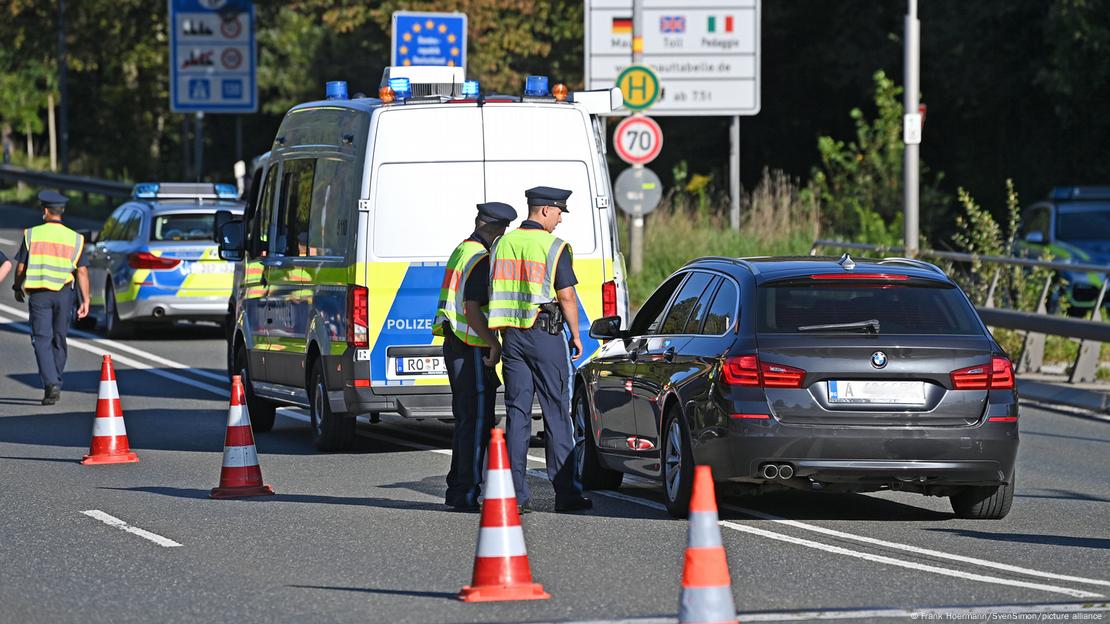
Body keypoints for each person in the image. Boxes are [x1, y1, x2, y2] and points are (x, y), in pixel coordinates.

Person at [487, 186, 591, 514]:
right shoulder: (552, 246)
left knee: (517, 414)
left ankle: (516, 497)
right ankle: (567, 495)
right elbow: (567, 296)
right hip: (544, 335)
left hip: (512, 337)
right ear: (544, 210)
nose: (560, 220)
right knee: (557, 412)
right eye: (559, 212)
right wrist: (576, 334)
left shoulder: (503, 243)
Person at [433, 201, 517, 511]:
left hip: (457, 345)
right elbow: (471, 309)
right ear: (498, 230)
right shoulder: (481, 258)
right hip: (472, 347)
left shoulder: (462, 249)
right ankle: (466, 492)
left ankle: (458, 489)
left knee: (466, 421)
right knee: (477, 423)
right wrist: (492, 343)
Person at [12, 190, 91, 405]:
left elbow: (21, 267)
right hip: (65, 294)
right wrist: (86, 300)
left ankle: (51, 382)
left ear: (46, 211)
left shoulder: (32, 234)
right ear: (61, 212)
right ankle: (55, 377)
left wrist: (17, 287)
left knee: (41, 340)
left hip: (39, 295)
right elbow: (82, 271)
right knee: (59, 338)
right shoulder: (75, 238)